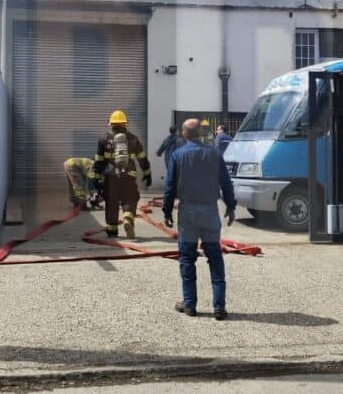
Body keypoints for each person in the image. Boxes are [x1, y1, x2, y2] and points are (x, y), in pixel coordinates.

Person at [162, 118, 236, 320]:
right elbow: (226, 183)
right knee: (215, 258)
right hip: (210, 211)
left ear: (184, 134)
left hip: (188, 213)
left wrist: (167, 211)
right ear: (201, 133)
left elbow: (170, 187)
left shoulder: (178, 155)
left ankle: (189, 304)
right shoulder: (214, 153)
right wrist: (231, 206)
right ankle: (219, 307)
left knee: (187, 258)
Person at [93, 110, 151, 238]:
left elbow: (99, 161)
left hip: (111, 176)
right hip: (129, 175)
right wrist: (147, 173)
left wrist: (96, 178)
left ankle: (112, 230)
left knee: (111, 201)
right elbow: (142, 157)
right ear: (125, 124)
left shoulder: (104, 139)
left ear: (110, 124)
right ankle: (127, 217)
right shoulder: (133, 138)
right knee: (130, 197)